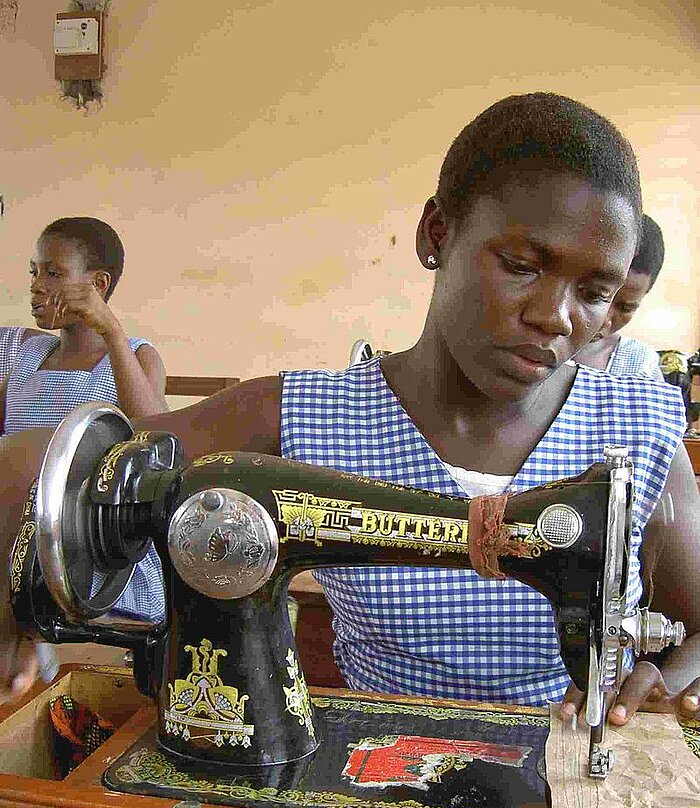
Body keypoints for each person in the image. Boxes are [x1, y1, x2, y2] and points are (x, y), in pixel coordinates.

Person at [0, 95, 698, 733]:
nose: (555, 316)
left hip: (575, 786)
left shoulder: (640, 426)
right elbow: (33, 464)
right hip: (374, 781)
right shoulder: (302, 410)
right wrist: (17, 602)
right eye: (520, 264)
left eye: (596, 291)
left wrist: (663, 679)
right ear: (436, 232)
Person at [0, 217, 168, 624]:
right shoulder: (22, 354)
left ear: (99, 285)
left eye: (54, 273)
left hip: (86, 545)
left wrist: (111, 332)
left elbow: (159, 435)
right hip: (12, 531)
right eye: (34, 272)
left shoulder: (134, 357)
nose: (37, 285)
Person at [574, 214, 665, 376]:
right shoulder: (529, 342)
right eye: (593, 295)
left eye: (625, 308)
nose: (603, 320)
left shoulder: (639, 365)